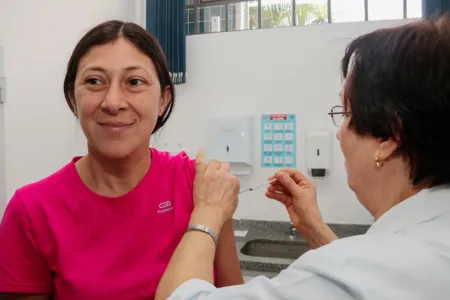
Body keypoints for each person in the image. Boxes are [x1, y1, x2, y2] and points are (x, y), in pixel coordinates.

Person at [155, 15, 450, 300]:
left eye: (345, 113)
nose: (339, 134)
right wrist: (314, 228)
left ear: (388, 137)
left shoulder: (358, 271)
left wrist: (208, 210)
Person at [0, 20, 243, 299]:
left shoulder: (201, 187)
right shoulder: (32, 211)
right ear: (72, 98)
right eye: (94, 81)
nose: (113, 102)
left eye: (134, 82)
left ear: (163, 99)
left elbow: (233, 294)